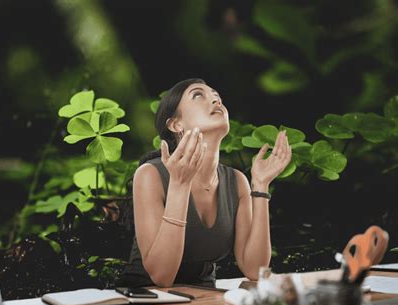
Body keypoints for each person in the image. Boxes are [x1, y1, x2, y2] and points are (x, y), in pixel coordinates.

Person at [120, 78, 291, 288]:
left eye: (217, 97)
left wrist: (261, 186)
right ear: (176, 124)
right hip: (144, 301)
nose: (215, 101)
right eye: (198, 95)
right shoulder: (150, 175)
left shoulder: (237, 182)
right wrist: (179, 185)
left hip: (204, 300)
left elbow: (255, 270)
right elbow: (161, 277)